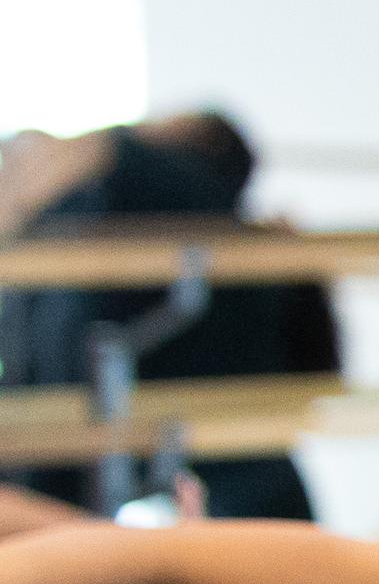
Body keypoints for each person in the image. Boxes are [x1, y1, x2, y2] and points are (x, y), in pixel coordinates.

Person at [0, 107, 343, 520]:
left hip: (78, 435)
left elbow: (102, 156)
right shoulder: (219, 234)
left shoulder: (164, 188)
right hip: (100, 436)